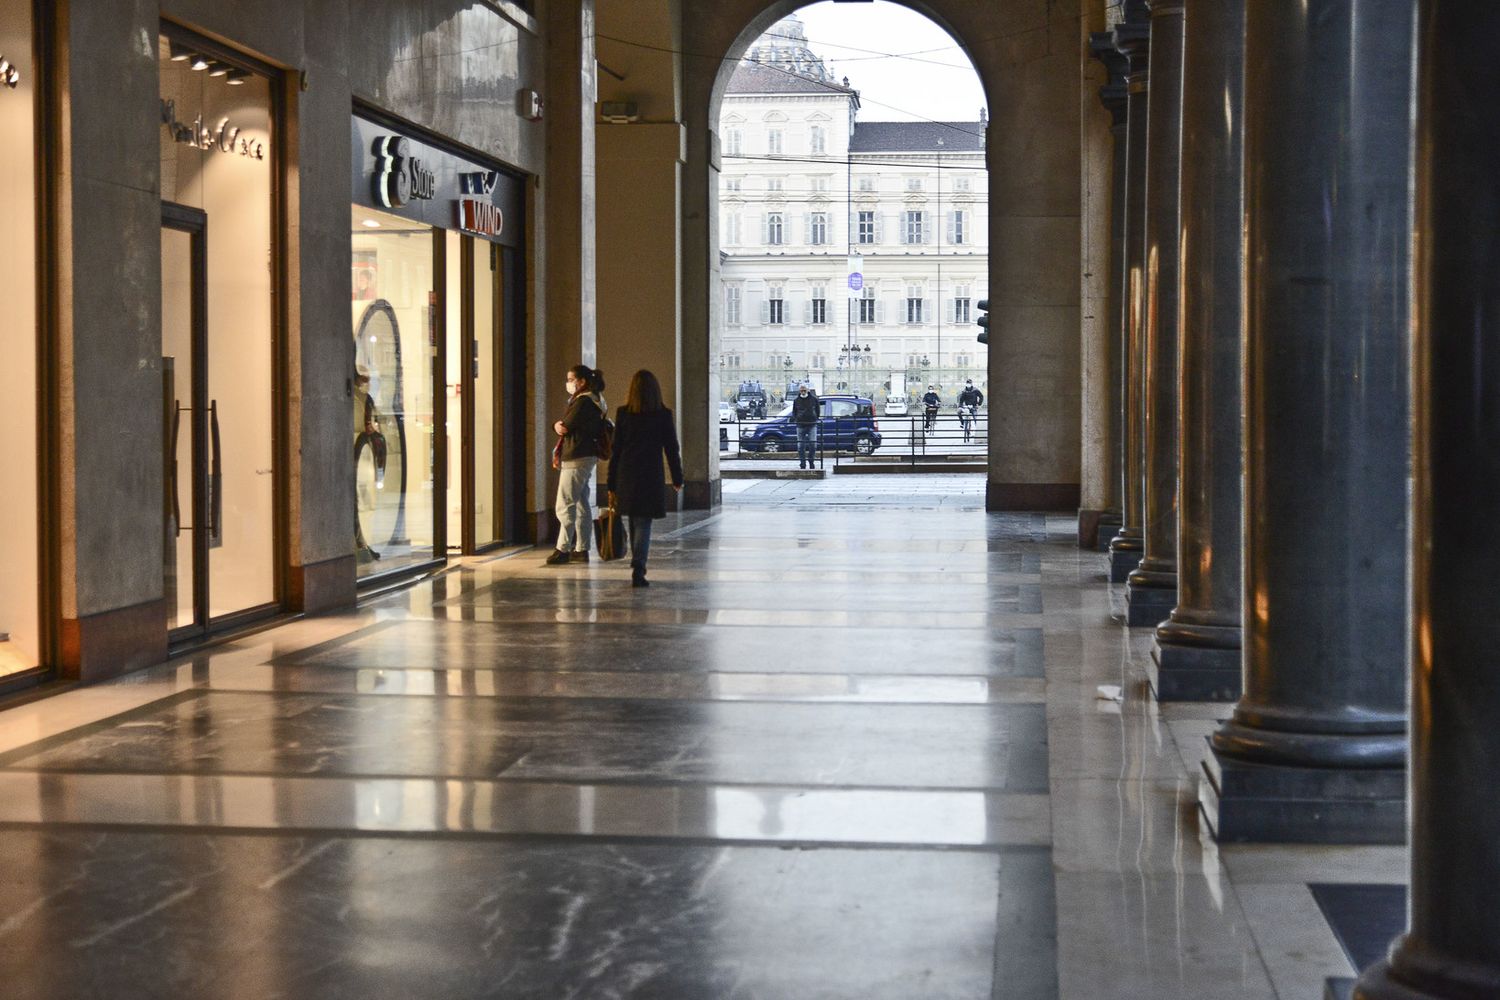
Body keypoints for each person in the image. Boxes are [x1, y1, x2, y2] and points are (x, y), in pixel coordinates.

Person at [606, 369, 684, 587]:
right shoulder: (663, 415)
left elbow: (616, 451)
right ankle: (639, 567)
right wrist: (678, 478)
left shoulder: (623, 414)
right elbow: (671, 449)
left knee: (633, 519)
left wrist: (611, 482)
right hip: (651, 475)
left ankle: (637, 562)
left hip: (627, 474)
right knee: (643, 522)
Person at [546, 364, 607, 565]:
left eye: (571, 379)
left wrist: (556, 425)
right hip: (587, 455)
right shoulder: (597, 399)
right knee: (581, 504)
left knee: (564, 504)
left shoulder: (582, 402)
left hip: (576, 457)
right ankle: (581, 548)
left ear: (581, 381)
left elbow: (565, 426)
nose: (568, 383)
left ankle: (562, 548)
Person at [791, 383, 820, 469]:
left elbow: (818, 411)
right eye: (801, 390)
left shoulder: (814, 399)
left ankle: (811, 461)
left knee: (813, 444)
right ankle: (802, 463)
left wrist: (815, 418)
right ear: (799, 391)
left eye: (804, 390)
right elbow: (794, 411)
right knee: (800, 446)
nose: (803, 392)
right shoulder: (796, 400)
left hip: (811, 424)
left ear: (808, 390)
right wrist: (797, 419)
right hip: (800, 424)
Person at [957, 378, 983, 443]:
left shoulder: (975, 390)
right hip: (966, 407)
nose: (968, 384)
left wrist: (978, 404)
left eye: (969, 383)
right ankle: (962, 423)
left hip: (974, 407)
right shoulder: (964, 391)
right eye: (967, 383)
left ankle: (978, 431)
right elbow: (961, 400)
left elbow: (981, 396)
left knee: (975, 418)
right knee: (959, 412)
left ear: (971, 384)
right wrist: (960, 406)